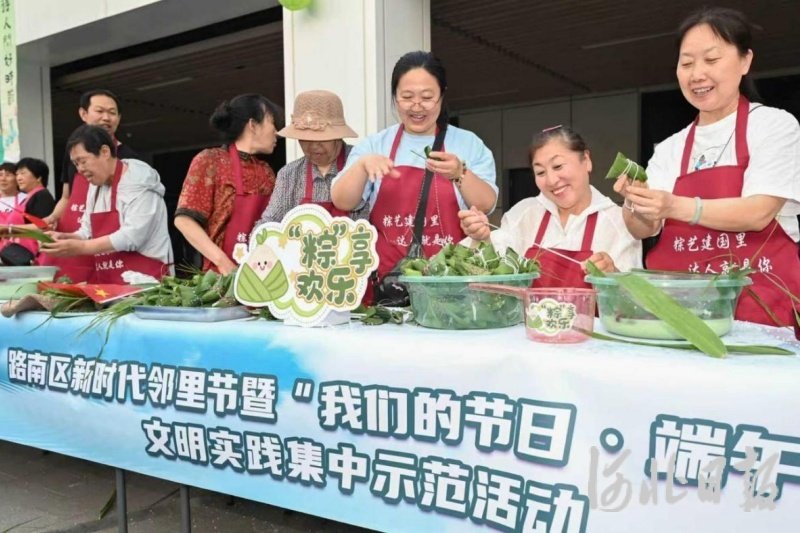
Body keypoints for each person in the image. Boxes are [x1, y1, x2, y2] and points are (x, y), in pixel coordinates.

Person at [614, 7, 800, 327]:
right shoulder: (670, 147)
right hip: (680, 310)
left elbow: (759, 213)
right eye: (687, 63)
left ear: (745, 61)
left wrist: (673, 205)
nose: (697, 74)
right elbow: (642, 229)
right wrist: (635, 202)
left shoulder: (773, 125)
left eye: (711, 59)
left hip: (760, 308)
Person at [331, 51, 498, 297]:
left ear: (442, 95)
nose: (417, 106)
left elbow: (486, 204)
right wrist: (361, 166)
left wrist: (459, 173)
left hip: (453, 285)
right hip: (389, 285)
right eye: (407, 97)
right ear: (395, 97)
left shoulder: (468, 144)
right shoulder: (375, 145)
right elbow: (343, 201)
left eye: (427, 97)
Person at [460, 126, 642, 287]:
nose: (552, 180)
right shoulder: (524, 214)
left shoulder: (620, 222)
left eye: (558, 166)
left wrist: (613, 276)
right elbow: (488, 274)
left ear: (586, 160)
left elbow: (637, 301)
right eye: (540, 172)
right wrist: (481, 239)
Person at [40, 125, 173, 283]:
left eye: (83, 161)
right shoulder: (95, 186)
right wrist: (64, 237)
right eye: (76, 164)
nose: (80, 169)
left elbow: (132, 236)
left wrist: (80, 247)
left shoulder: (139, 181)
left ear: (105, 152)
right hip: (112, 282)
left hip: (147, 280)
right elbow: (87, 231)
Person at [175, 94, 281, 274]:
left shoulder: (266, 172)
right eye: (272, 123)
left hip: (261, 275)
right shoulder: (210, 161)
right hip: (220, 277)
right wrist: (223, 262)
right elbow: (184, 221)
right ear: (253, 125)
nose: (276, 132)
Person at [43, 89, 141, 281]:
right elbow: (66, 197)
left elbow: (134, 231)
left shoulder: (131, 162)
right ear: (83, 114)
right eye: (100, 111)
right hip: (75, 236)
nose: (106, 118)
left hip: (107, 245)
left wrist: (84, 245)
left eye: (112, 113)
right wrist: (53, 218)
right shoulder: (73, 152)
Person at [254, 90, 365, 226]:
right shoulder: (289, 175)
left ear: (338, 136)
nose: (313, 146)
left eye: (321, 139)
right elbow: (268, 223)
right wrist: (260, 236)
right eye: (305, 139)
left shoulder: (361, 165)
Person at [0, 159, 56, 266]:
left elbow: (44, 227)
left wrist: (8, 230)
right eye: (17, 174)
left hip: (35, 257)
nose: (19, 178)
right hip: (17, 256)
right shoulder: (30, 196)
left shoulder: (42, 195)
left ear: (38, 177)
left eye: (23, 173)